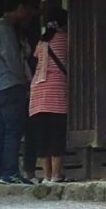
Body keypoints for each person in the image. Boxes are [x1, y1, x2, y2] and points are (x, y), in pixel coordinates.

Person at [0, 0, 34, 184]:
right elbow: (12, 59)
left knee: (2, 129)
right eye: (25, 9)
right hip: (9, 85)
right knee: (13, 129)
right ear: (19, 7)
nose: (26, 14)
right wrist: (24, 81)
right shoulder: (4, 29)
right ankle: (10, 171)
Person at [26, 10, 72, 186]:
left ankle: (46, 176)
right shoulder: (65, 39)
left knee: (42, 136)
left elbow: (36, 60)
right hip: (56, 91)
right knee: (56, 134)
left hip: (37, 94)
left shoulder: (42, 42)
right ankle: (57, 175)